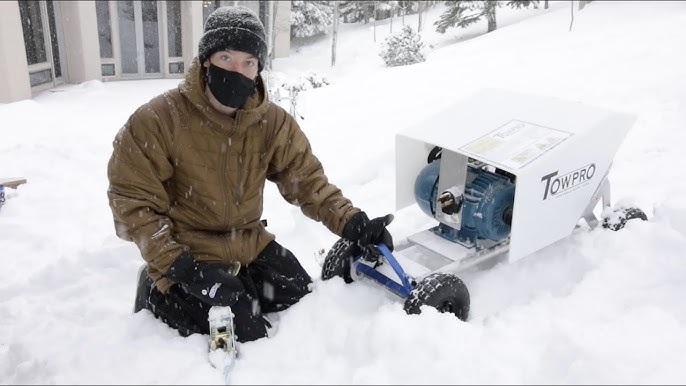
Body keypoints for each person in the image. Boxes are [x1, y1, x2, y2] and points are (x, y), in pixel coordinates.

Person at [106, 6, 393, 344]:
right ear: (206, 60)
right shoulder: (158, 120)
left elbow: (307, 182)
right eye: (226, 57)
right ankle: (158, 291)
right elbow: (132, 202)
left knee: (299, 296)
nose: (236, 71)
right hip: (188, 250)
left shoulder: (272, 122)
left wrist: (353, 223)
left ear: (258, 70)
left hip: (247, 241)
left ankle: (241, 287)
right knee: (247, 332)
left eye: (248, 62)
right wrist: (180, 267)